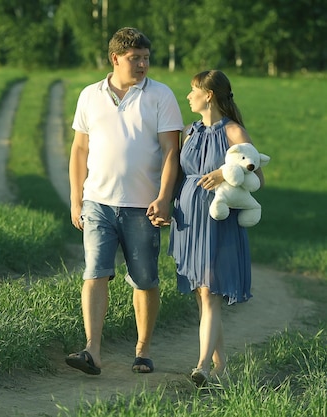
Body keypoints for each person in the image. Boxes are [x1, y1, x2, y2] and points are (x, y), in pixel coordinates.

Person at [65, 27, 183, 375]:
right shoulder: (89, 95)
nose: (143, 64)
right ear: (116, 59)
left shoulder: (161, 96)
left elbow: (170, 151)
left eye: (146, 58)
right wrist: (77, 199)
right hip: (97, 203)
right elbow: (80, 149)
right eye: (136, 59)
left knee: (145, 280)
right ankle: (92, 350)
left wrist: (164, 198)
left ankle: (143, 350)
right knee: (94, 273)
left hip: (143, 206)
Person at [168, 70, 265, 387]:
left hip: (218, 220)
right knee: (201, 294)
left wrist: (226, 174)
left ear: (208, 95)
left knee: (209, 293)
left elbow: (257, 179)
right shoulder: (189, 131)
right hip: (189, 218)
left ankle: (202, 367)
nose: (188, 96)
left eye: (192, 90)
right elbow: (180, 175)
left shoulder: (234, 132)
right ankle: (220, 364)